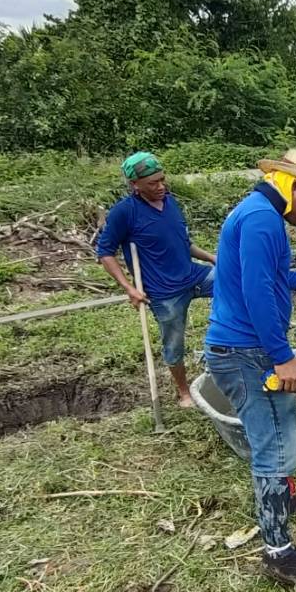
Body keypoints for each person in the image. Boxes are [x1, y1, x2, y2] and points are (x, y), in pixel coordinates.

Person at [204, 149, 296, 588]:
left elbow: (263, 277)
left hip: (240, 345)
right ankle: (278, 551)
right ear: (294, 186)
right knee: (275, 445)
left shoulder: (256, 212)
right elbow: (258, 292)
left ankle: (280, 498)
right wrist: (282, 356)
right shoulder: (262, 220)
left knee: (280, 427)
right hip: (247, 352)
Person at [95, 151, 217, 408]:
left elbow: (184, 243)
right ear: (134, 186)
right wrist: (129, 288)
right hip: (164, 292)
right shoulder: (124, 212)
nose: (161, 186)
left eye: (162, 179)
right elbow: (105, 252)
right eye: (153, 183)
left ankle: (223, 350)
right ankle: (184, 392)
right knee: (174, 343)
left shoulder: (170, 202)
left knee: (235, 285)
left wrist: (211, 258)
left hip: (193, 274)